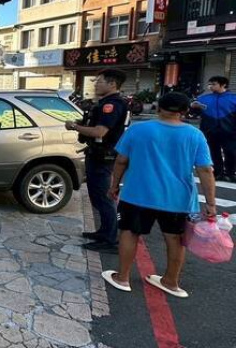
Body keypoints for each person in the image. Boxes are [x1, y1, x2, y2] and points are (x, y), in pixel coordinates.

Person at [101, 92, 217, 298]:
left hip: (137, 194)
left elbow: (121, 160)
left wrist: (114, 185)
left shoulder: (138, 130)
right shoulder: (195, 135)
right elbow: (205, 170)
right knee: (175, 239)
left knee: (129, 232)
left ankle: (123, 277)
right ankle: (171, 282)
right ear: (184, 111)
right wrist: (211, 204)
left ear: (158, 107)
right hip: (178, 199)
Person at [65, 69, 129, 252]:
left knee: (103, 197)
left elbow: (100, 132)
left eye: (99, 81)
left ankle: (110, 240)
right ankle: (103, 232)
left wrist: (74, 126)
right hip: (98, 154)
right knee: (97, 196)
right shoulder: (106, 103)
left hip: (104, 156)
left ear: (112, 84)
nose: (95, 84)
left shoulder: (112, 105)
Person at [190, 76, 236, 182]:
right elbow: (194, 114)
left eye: (213, 84)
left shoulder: (233, 98)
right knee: (213, 152)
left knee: (231, 152)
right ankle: (217, 172)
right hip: (210, 130)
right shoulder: (204, 99)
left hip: (230, 131)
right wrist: (193, 108)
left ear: (223, 84)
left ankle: (230, 173)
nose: (210, 86)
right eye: (209, 84)